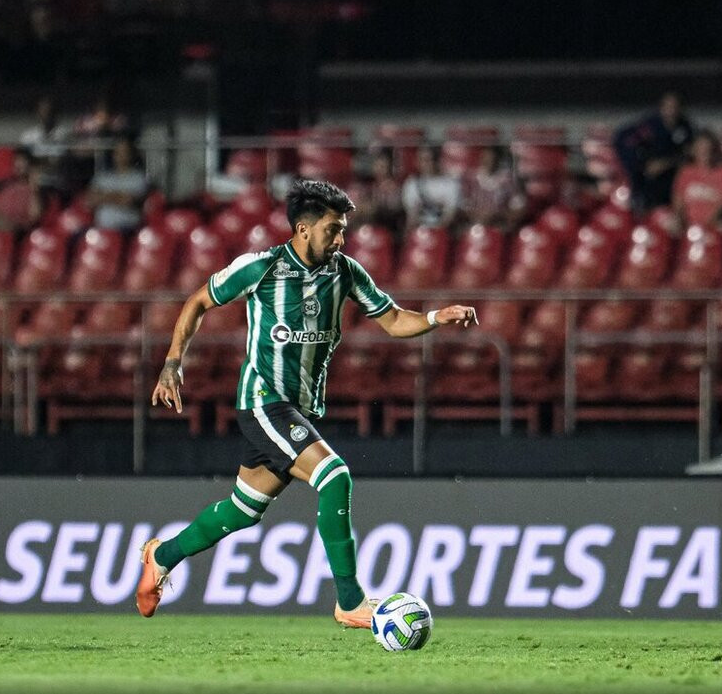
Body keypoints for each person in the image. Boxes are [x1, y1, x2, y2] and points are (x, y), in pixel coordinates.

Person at [137, 179, 478, 626]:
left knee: (243, 510)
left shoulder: (347, 272)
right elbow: (198, 301)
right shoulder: (260, 268)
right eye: (333, 230)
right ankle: (351, 601)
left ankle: (161, 556)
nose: (341, 240)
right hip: (263, 400)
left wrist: (436, 317)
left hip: (297, 408)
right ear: (302, 229)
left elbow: (394, 321)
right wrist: (171, 363)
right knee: (334, 476)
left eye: (343, 231)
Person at [612, 91, 695, 215]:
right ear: (661, 108)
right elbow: (624, 141)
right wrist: (642, 165)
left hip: (672, 178)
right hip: (647, 180)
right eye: (668, 107)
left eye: (675, 107)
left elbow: (688, 152)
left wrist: (667, 163)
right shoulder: (649, 127)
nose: (671, 111)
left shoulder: (685, 127)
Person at [668, 129, 722, 236]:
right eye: (701, 148)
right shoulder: (686, 172)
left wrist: (708, 222)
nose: (705, 152)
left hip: (712, 222)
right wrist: (679, 218)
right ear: (694, 150)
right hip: (688, 223)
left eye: (708, 148)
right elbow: (678, 199)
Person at [85, 136, 148, 232]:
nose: (121, 156)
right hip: (101, 229)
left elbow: (128, 201)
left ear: (131, 155)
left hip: (126, 228)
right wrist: (118, 196)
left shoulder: (139, 178)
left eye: (125, 153)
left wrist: (103, 196)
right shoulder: (103, 177)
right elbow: (90, 201)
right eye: (118, 152)